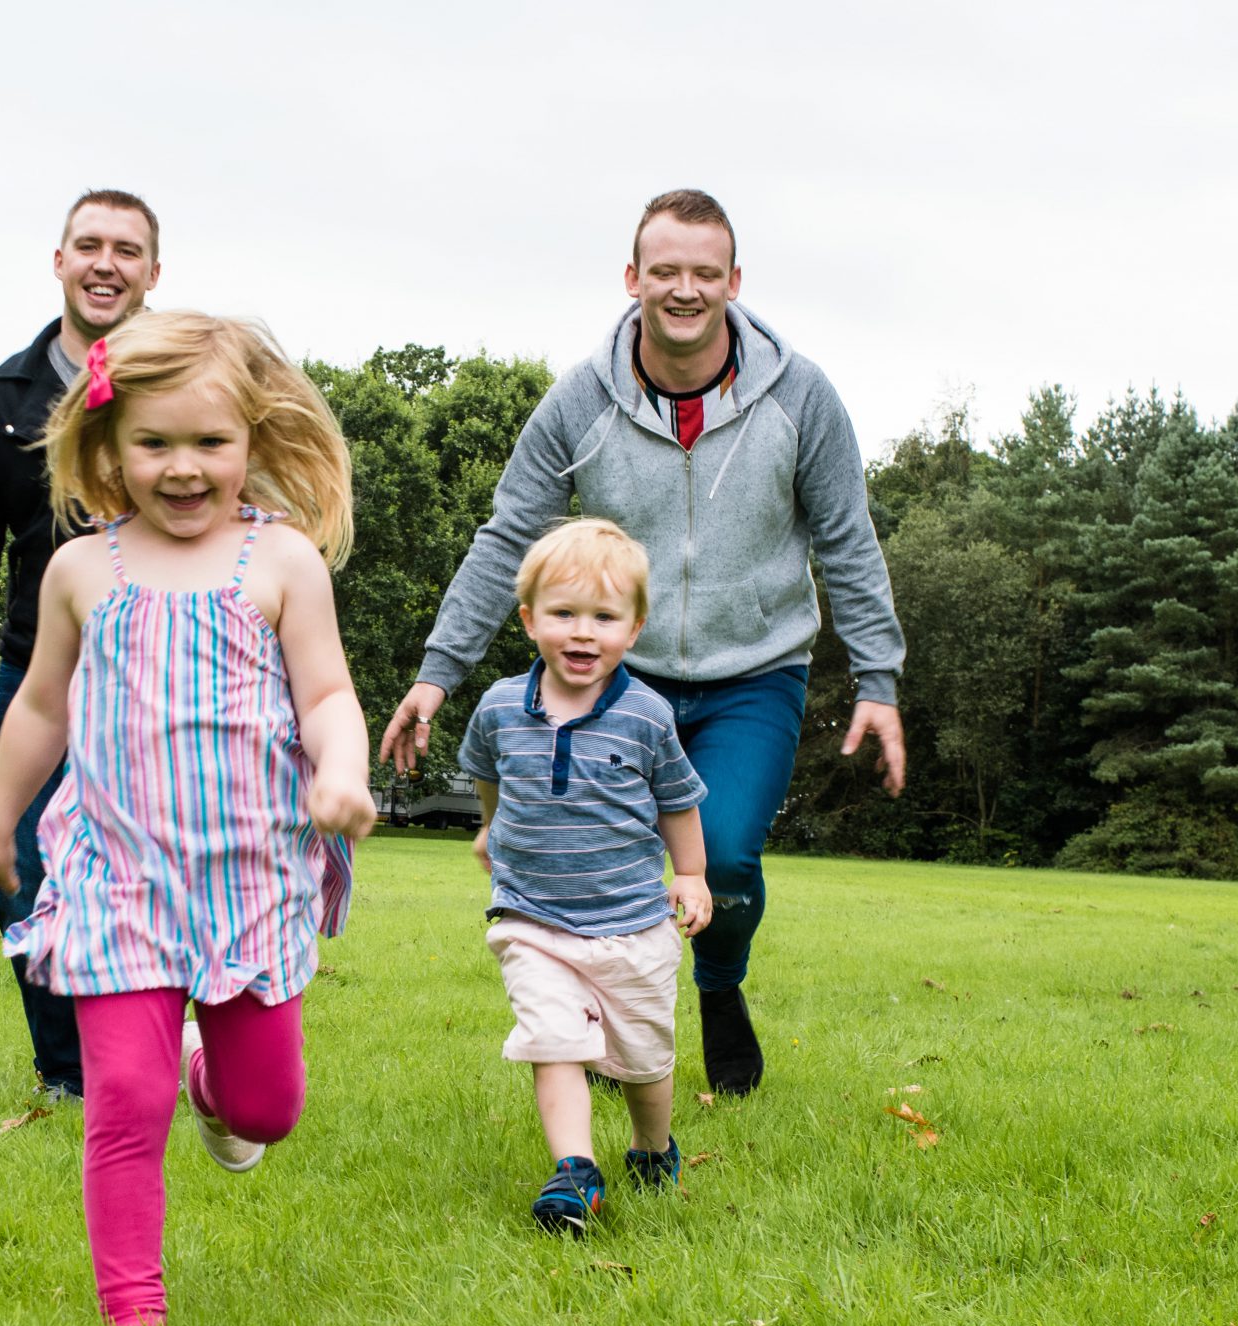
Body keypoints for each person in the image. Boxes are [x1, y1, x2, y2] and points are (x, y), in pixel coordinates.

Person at [381, 189, 906, 1098]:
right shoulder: (581, 400)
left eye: (706, 272)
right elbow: (508, 536)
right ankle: (604, 1035)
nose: (686, 289)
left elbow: (847, 538)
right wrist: (438, 672)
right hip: (622, 678)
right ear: (633, 279)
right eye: (666, 270)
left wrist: (879, 678)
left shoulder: (802, 396)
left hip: (755, 673)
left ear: (735, 282)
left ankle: (718, 983)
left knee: (729, 855)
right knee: (601, 871)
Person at [0, 311, 375, 1326]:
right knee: (122, 1103)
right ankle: (131, 1317)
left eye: (209, 443)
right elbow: (42, 708)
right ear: (107, 448)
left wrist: (344, 771)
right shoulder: (81, 572)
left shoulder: (281, 563)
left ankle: (212, 1078)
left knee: (266, 1109)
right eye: (153, 444)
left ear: (251, 439)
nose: (182, 468)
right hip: (118, 882)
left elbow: (326, 693)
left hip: (250, 883)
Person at [0, 189, 164, 1102]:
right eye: (89, 245)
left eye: (127, 250)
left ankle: (156, 1045)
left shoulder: (185, 379)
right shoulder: (4, 400)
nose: (107, 263)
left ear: (153, 272)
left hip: (164, 672)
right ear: (58, 261)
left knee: (158, 869)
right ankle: (70, 1069)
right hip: (44, 673)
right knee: (22, 870)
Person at [457, 519, 710, 1233]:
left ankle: (651, 1147)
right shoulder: (501, 706)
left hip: (633, 924)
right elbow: (491, 778)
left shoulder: (647, 716)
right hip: (532, 920)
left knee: (643, 1059)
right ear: (531, 618)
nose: (582, 632)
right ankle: (575, 1170)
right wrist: (490, 827)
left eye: (604, 616)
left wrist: (689, 874)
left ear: (633, 628)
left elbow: (678, 802)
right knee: (554, 1038)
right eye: (564, 613)